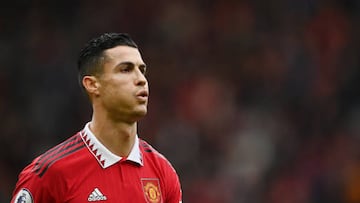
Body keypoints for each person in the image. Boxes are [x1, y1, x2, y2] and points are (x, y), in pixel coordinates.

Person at [11, 33, 182, 203]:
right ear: (92, 84)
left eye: (142, 70)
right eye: (126, 69)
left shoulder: (163, 172)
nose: (141, 80)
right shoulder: (50, 173)